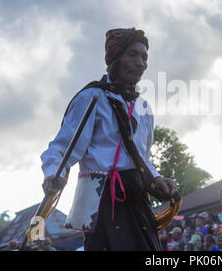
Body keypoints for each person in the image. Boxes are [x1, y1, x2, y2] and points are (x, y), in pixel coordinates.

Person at [41, 28, 179, 251]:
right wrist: (53, 175)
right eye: (132, 54)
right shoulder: (91, 98)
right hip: (102, 201)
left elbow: (143, 159)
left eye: (144, 57)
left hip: (137, 199)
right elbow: (62, 148)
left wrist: (158, 179)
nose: (140, 62)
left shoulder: (143, 108)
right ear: (115, 59)